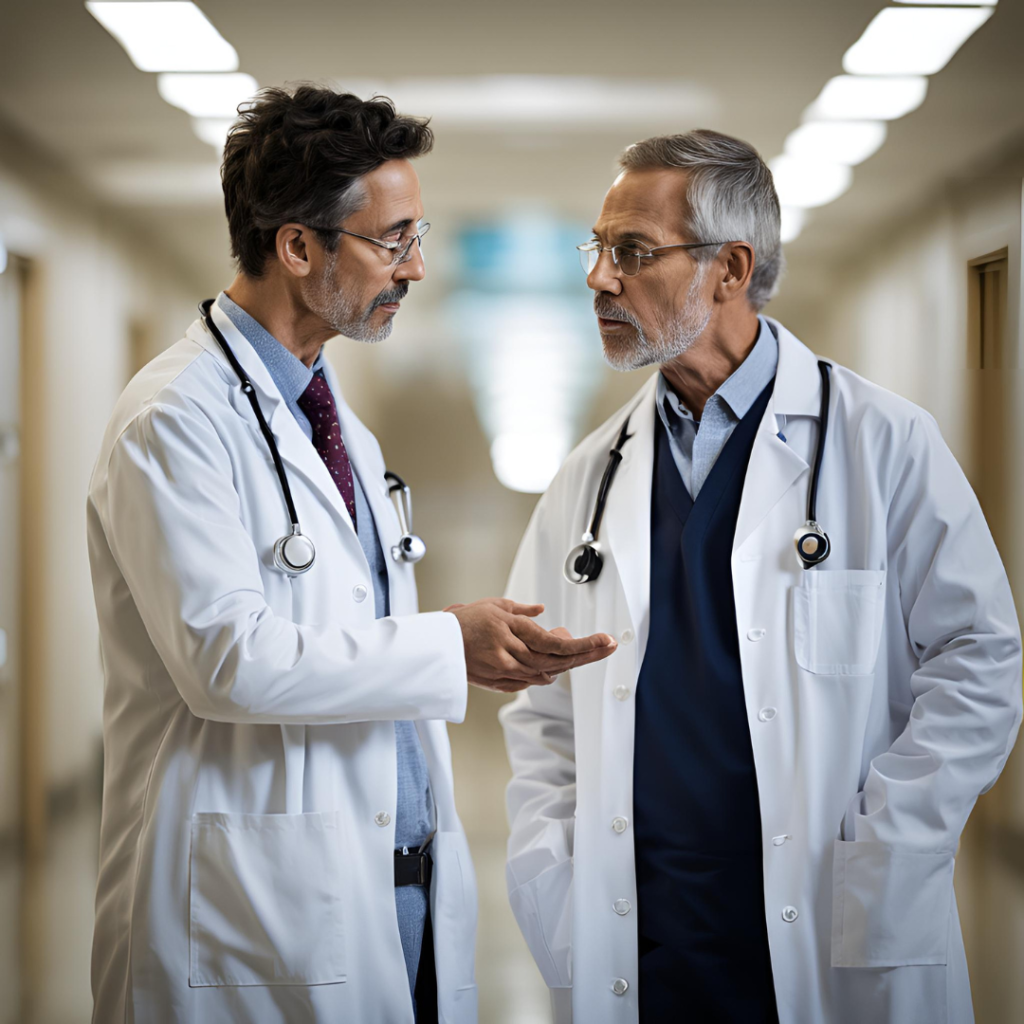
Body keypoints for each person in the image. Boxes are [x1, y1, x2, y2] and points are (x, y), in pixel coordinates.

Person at [87, 86, 616, 1024]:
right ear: (298, 247)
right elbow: (227, 663)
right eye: (393, 240)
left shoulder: (335, 425)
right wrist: (444, 644)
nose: (417, 268)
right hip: (252, 914)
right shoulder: (175, 421)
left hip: (386, 889)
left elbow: (348, 643)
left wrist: (464, 652)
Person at [500, 129, 1022, 1024]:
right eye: (598, 248)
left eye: (632, 252)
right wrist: (554, 870)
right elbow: (541, 710)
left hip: (831, 925)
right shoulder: (590, 476)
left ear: (730, 268)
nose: (599, 278)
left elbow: (977, 662)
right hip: (642, 946)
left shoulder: (882, 444)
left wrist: (892, 849)